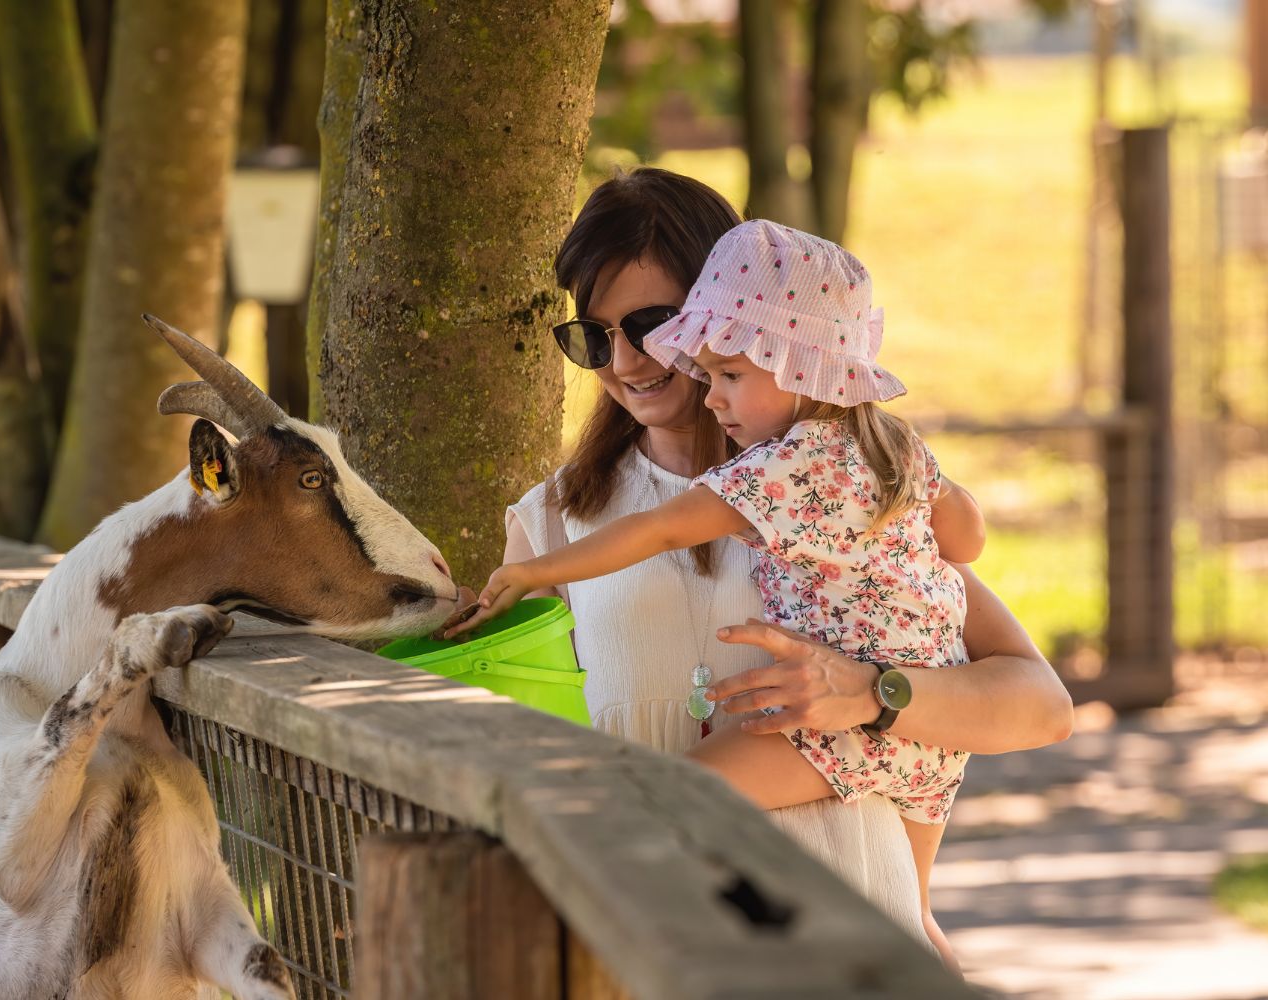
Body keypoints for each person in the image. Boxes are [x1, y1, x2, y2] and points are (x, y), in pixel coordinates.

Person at [456, 167, 1073, 962]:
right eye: (593, 336)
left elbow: (1040, 706)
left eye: (652, 323)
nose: (628, 362)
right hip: (656, 945)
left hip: (854, 934)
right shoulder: (549, 529)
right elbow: (526, 756)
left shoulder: (843, 491)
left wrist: (872, 693)